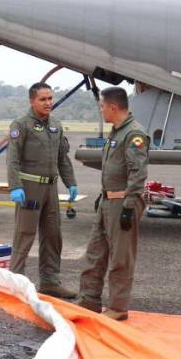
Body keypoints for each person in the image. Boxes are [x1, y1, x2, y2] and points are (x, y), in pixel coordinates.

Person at [77, 87, 149, 321]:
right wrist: (104, 194)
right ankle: (89, 300)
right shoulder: (117, 132)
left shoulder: (134, 134)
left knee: (120, 258)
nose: (101, 111)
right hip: (108, 200)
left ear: (113, 107)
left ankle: (118, 307)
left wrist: (129, 206)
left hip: (122, 203)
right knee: (95, 253)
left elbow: (137, 173)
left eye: (102, 107)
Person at [6, 82, 79, 299]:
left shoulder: (56, 125)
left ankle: (49, 282)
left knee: (53, 234)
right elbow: (13, 159)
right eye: (43, 99)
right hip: (29, 188)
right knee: (25, 234)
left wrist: (71, 182)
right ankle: (15, 282)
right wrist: (15, 186)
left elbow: (62, 157)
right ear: (32, 101)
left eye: (50, 98)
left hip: (50, 188)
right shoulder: (21, 125)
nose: (48, 103)